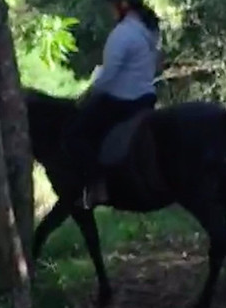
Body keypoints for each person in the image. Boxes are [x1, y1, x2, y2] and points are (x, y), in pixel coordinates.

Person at [64, 0, 162, 209]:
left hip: (122, 101)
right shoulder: (150, 31)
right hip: (146, 98)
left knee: (76, 135)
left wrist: (87, 95)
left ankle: (96, 186)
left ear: (122, 5)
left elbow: (108, 75)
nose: (110, 11)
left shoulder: (122, 34)